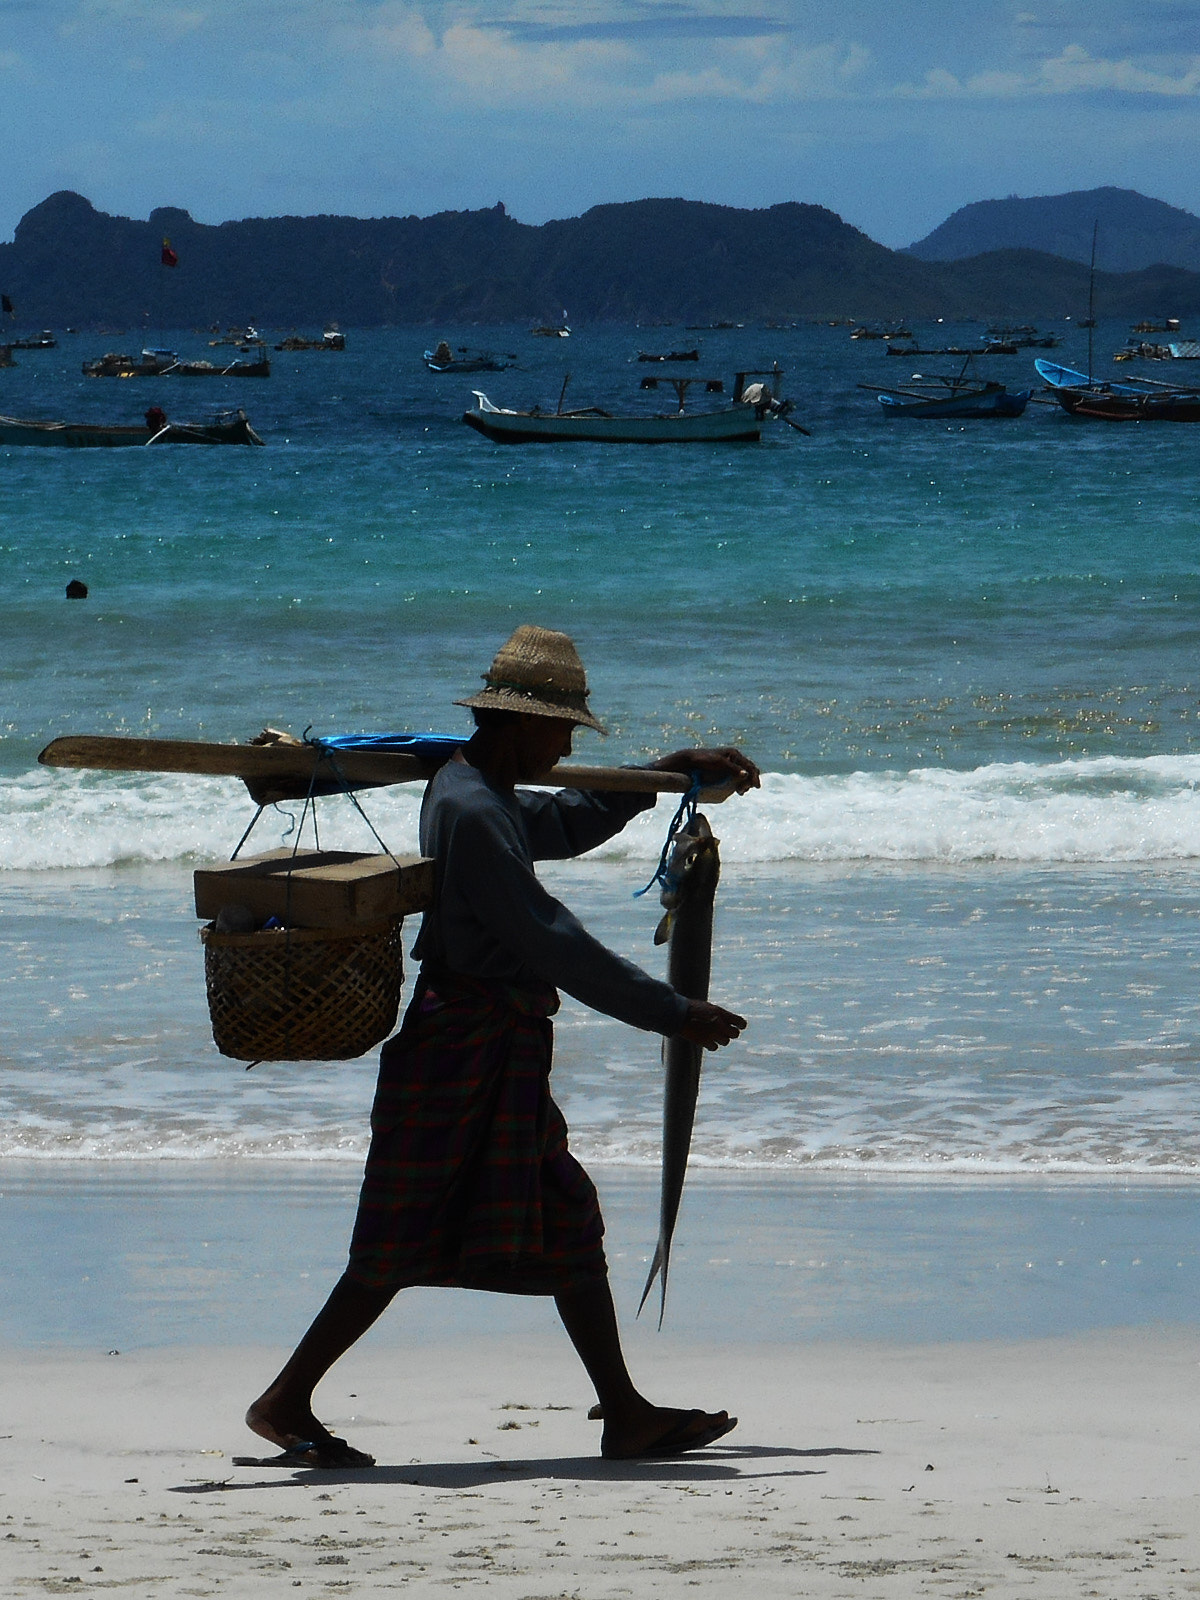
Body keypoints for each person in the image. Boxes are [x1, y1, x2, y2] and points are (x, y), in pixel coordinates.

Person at [245, 625, 759, 1466]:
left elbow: (561, 823)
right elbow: (546, 935)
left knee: (565, 1217)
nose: (566, 746)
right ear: (521, 724)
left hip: (499, 1039)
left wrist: (665, 776)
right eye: (562, 731)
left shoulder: (474, 784)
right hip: (462, 1037)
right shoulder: (473, 808)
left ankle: (625, 1411)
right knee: (394, 1239)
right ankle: (284, 1398)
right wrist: (669, 1010)